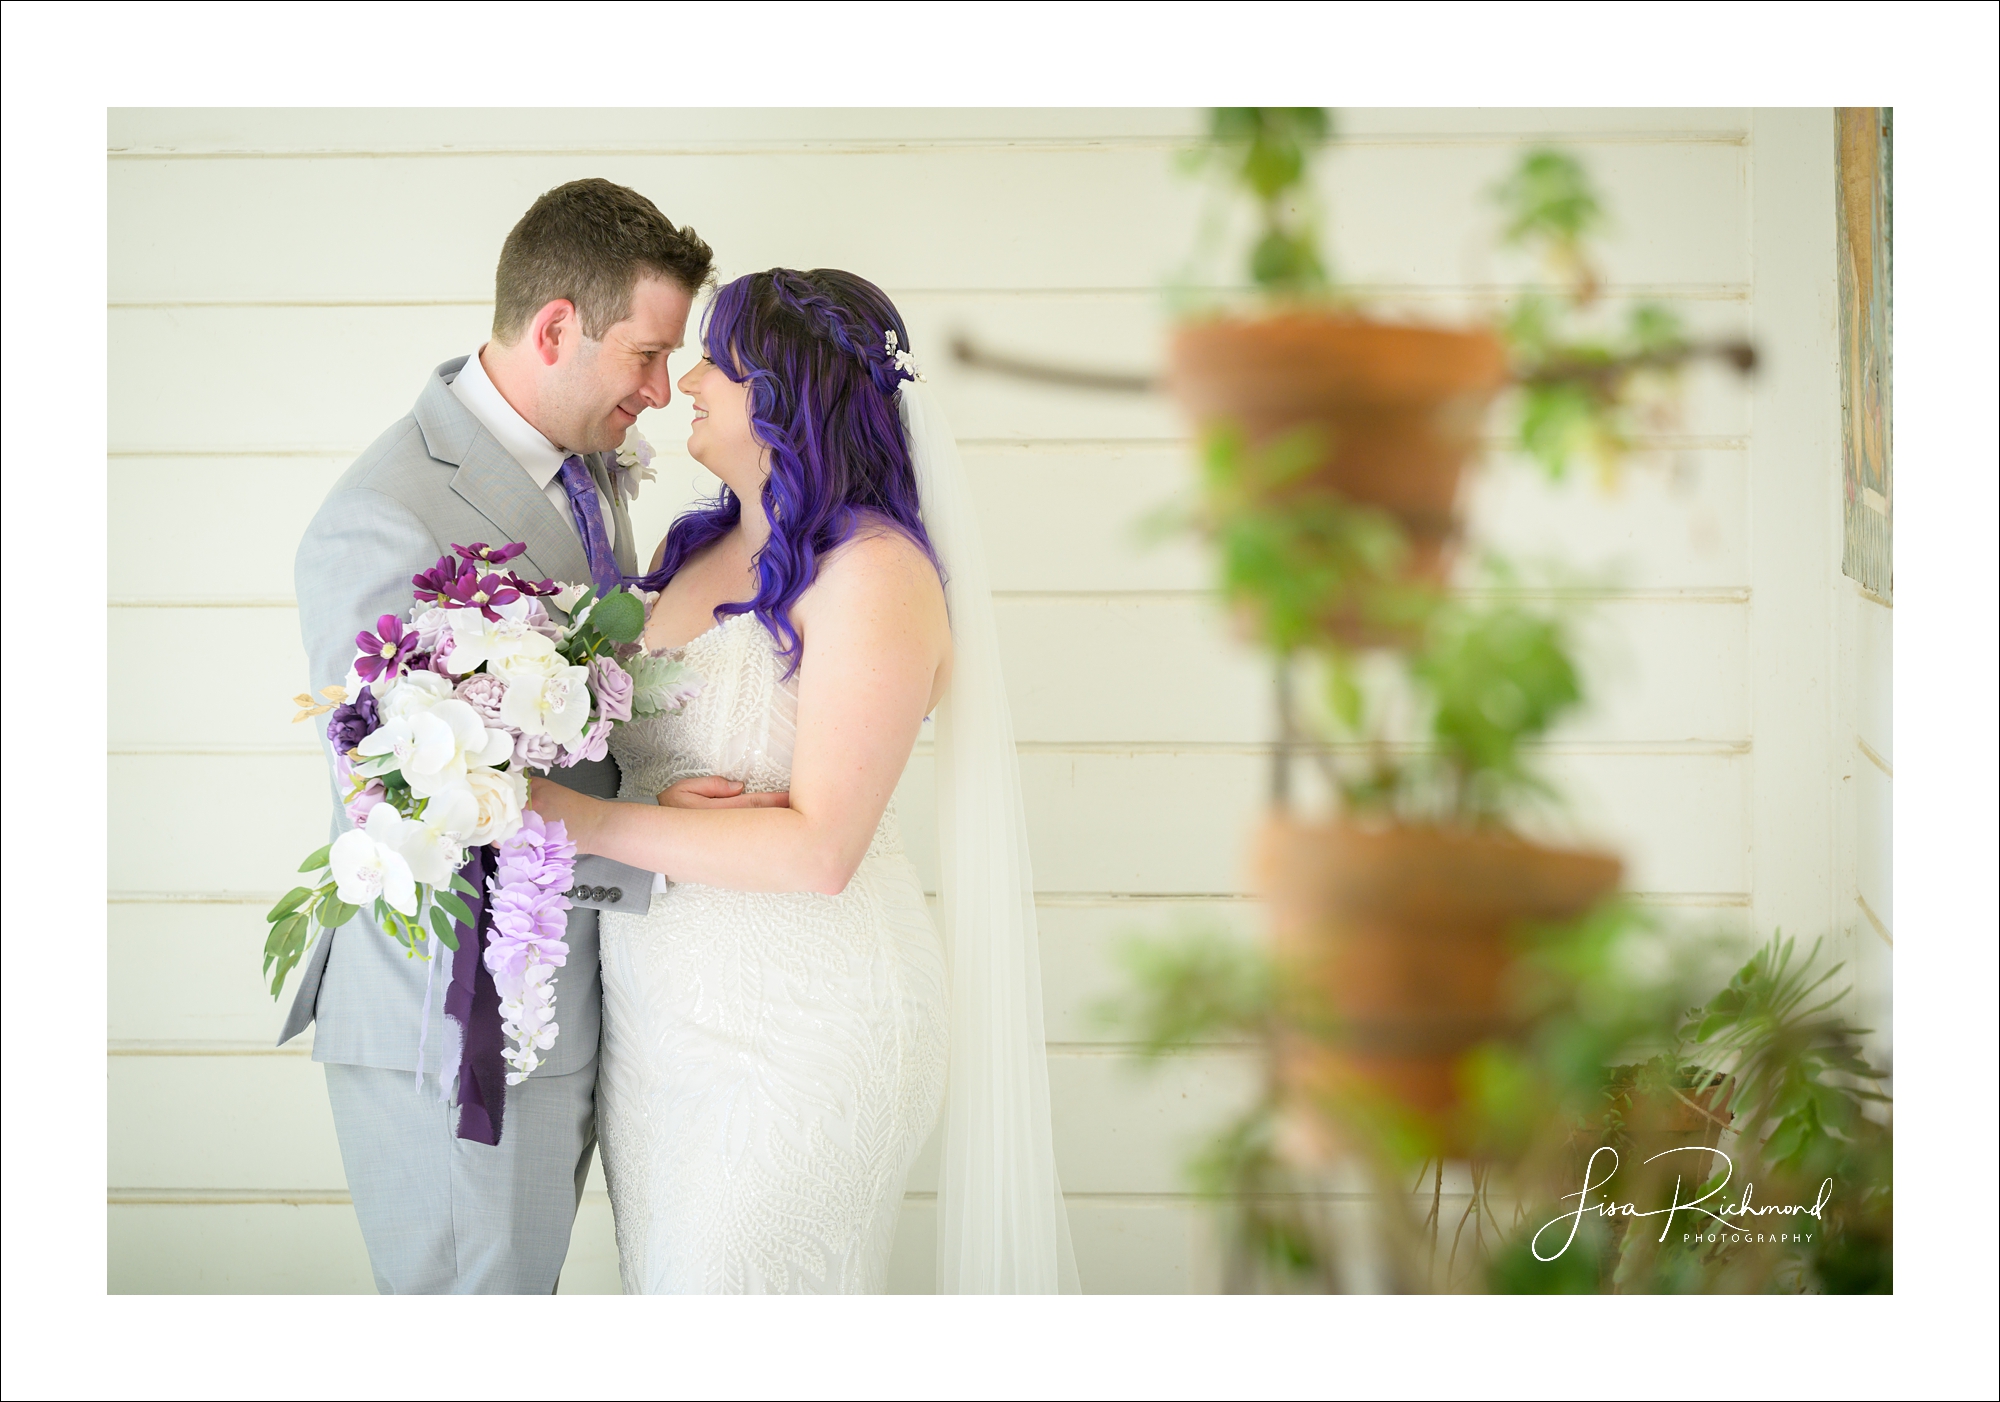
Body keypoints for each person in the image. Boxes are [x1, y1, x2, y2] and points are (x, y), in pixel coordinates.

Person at [526, 268, 1078, 1293]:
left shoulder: (874, 573)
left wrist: (586, 822)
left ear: (786, 389)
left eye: (718, 361)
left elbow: (820, 850)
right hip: (661, 1022)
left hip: (802, 1025)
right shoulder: (689, 550)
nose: (685, 377)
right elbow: (666, 777)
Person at [284, 178, 772, 1293]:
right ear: (556, 326)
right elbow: (406, 802)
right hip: (450, 1021)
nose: (661, 390)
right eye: (646, 355)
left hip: (568, 1001)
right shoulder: (384, 516)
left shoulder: (589, 465)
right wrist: (648, 838)